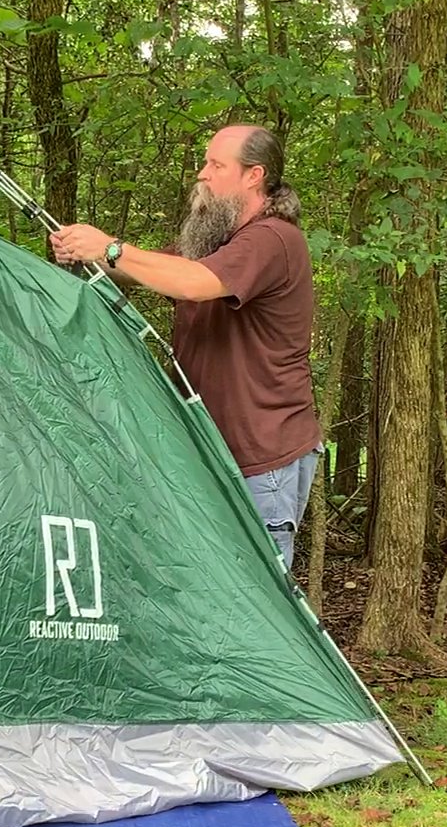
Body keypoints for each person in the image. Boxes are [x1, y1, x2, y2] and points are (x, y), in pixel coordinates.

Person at [49, 125, 321, 570]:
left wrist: (112, 248)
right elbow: (152, 269)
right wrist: (87, 254)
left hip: (262, 457)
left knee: (255, 597)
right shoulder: (214, 241)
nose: (203, 174)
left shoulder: (273, 240)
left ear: (254, 176)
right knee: (209, 585)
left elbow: (195, 283)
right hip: (207, 450)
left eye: (216, 165)